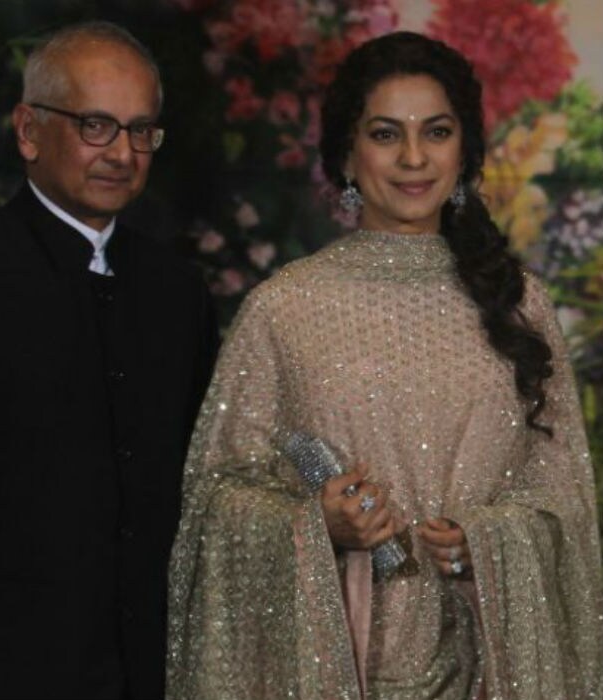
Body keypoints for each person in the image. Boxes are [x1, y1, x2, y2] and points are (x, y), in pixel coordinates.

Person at [166, 31, 603, 700]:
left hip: (486, 676)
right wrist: (317, 526)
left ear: (465, 150)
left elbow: (565, 501)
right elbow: (214, 503)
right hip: (335, 672)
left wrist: (485, 544)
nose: (413, 158)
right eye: (384, 134)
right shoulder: (284, 310)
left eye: (436, 132)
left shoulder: (519, 305)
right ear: (346, 154)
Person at [0, 20, 217, 700]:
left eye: (141, 130)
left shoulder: (176, 291)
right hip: (0, 670)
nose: (122, 153)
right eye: (96, 125)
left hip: (153, 670)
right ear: (27, 130)